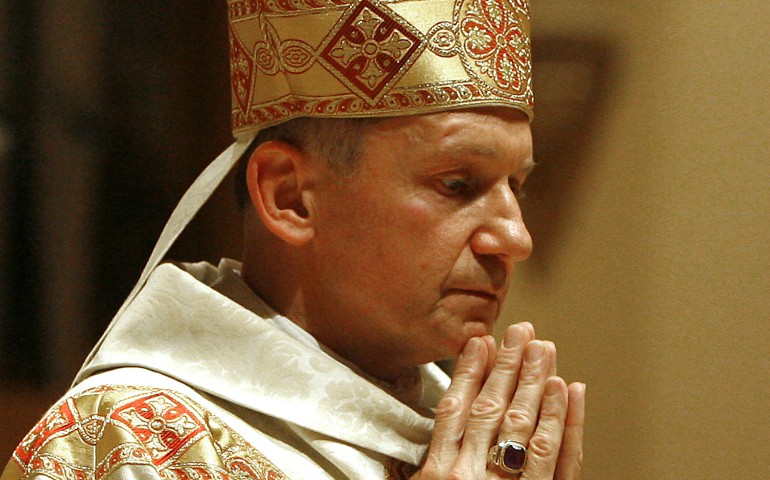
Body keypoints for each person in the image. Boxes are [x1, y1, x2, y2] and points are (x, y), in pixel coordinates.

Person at [2, 0, 585, 478]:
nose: (514, 237)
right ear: (290, 197)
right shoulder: (126, 443)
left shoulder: (475, 444)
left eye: (518, 187)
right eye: (458, 184)